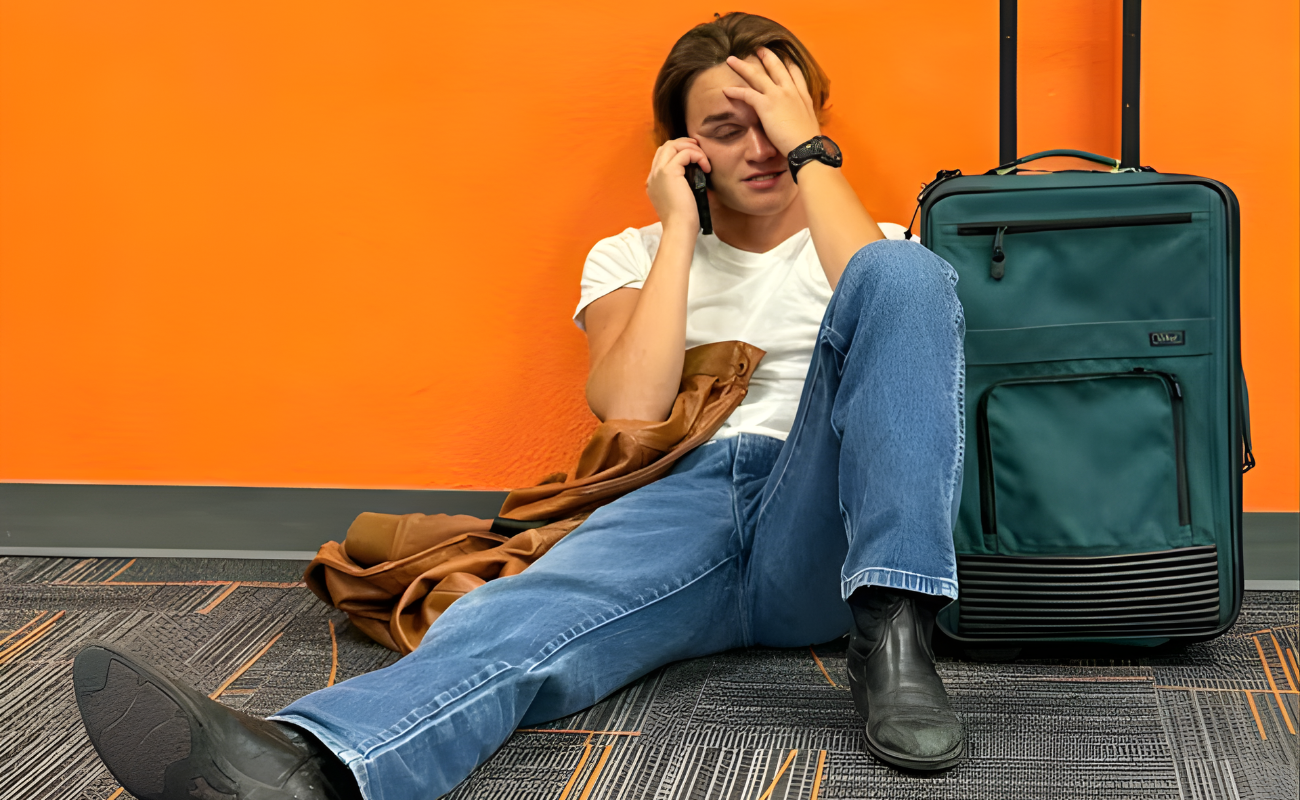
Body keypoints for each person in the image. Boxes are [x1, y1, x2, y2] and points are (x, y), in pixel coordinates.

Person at [71, 12, 967, 800]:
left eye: (774, 124)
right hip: (680, 501)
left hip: (823, 518)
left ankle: (895, 638)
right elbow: (628, 409)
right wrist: (680, 233)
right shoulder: (632, 255)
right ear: (683, 150)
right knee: (523, 615)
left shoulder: (875, 244)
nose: (760, 150)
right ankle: (314, 764)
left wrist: (810, 151)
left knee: (906, 275)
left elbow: (887, 305)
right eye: (726, 131)